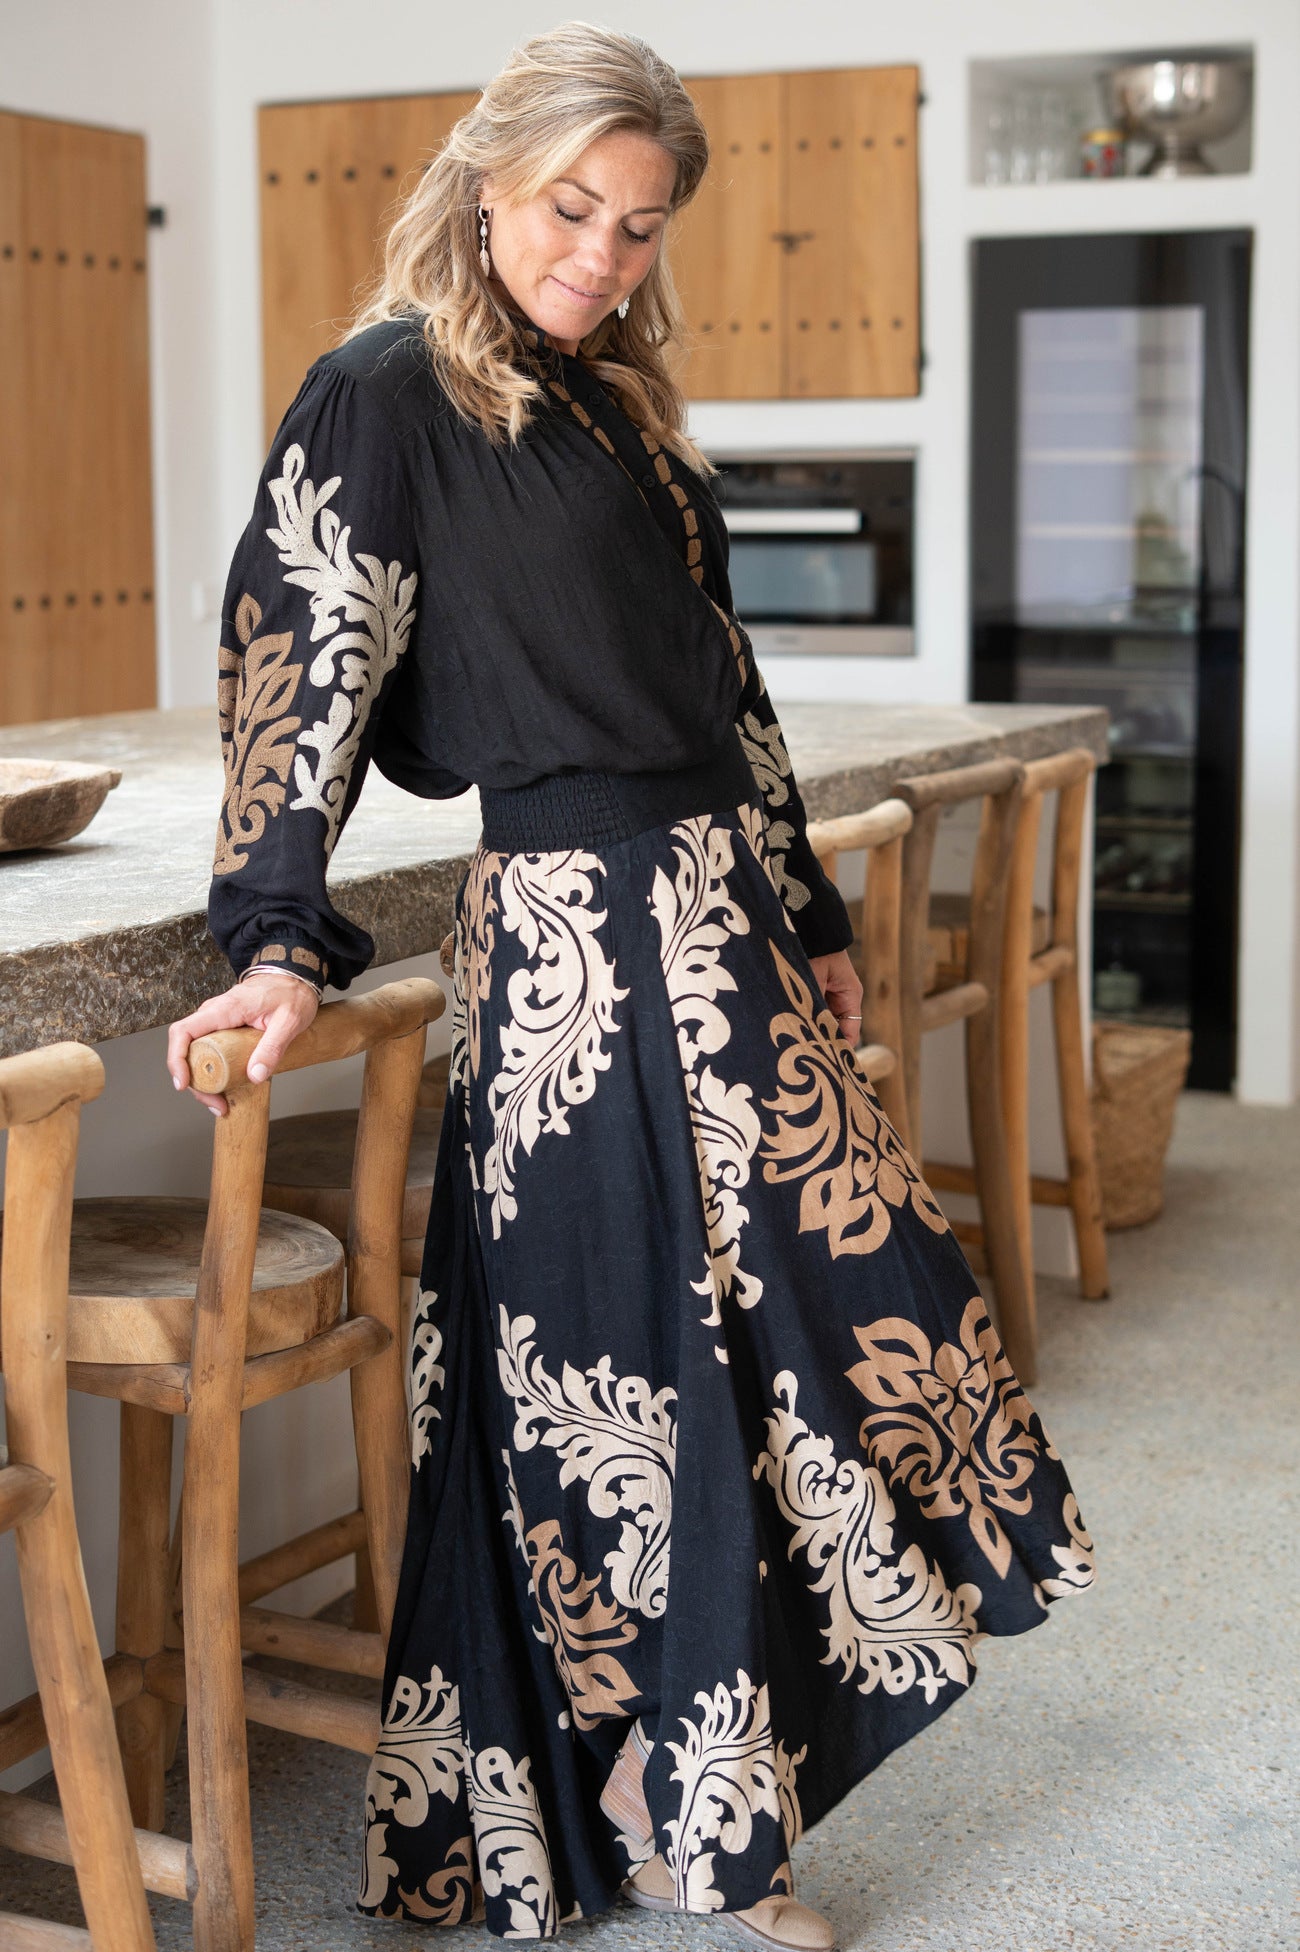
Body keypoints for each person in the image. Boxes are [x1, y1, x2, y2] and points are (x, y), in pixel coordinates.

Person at [169, 22, 1095, 1948]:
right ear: (485, 184)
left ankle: (708, 1789)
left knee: (835, 1335)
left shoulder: (619, 411)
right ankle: (676, 1813)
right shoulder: (384, 393)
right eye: (571, 208)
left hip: (726, 928)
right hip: (577, 956)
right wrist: (272, 937)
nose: (600, 253)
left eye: (640, 224)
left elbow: (724, 687)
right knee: (623, 1376)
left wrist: (810, 913)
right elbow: (298, 666)